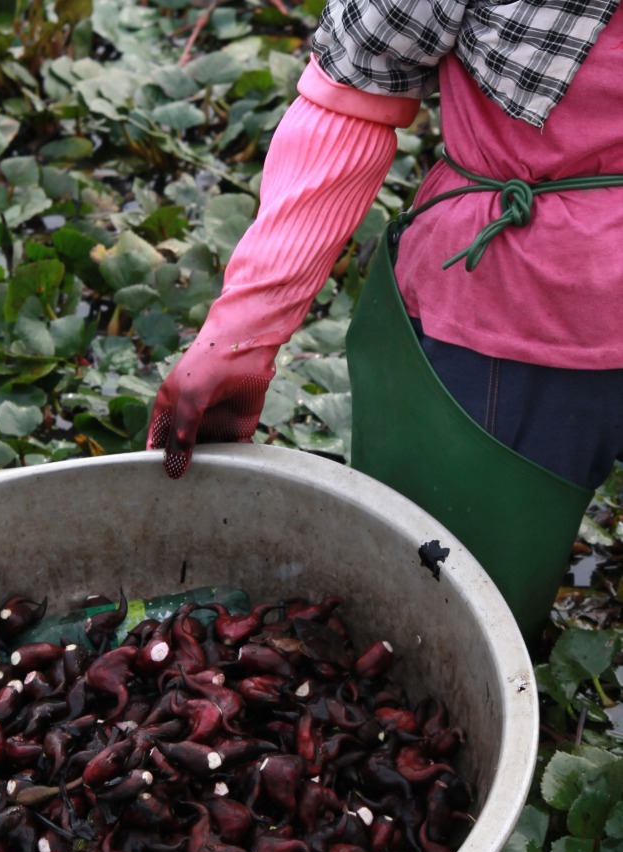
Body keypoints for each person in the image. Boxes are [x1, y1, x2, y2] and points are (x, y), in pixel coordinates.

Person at [146, 0, 623, 640]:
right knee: (461, 610)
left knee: (444, 620)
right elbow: (356, 88)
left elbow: (356, 85)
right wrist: (243, 332)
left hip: (516, 311)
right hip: (522, 302)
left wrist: (244, 330)